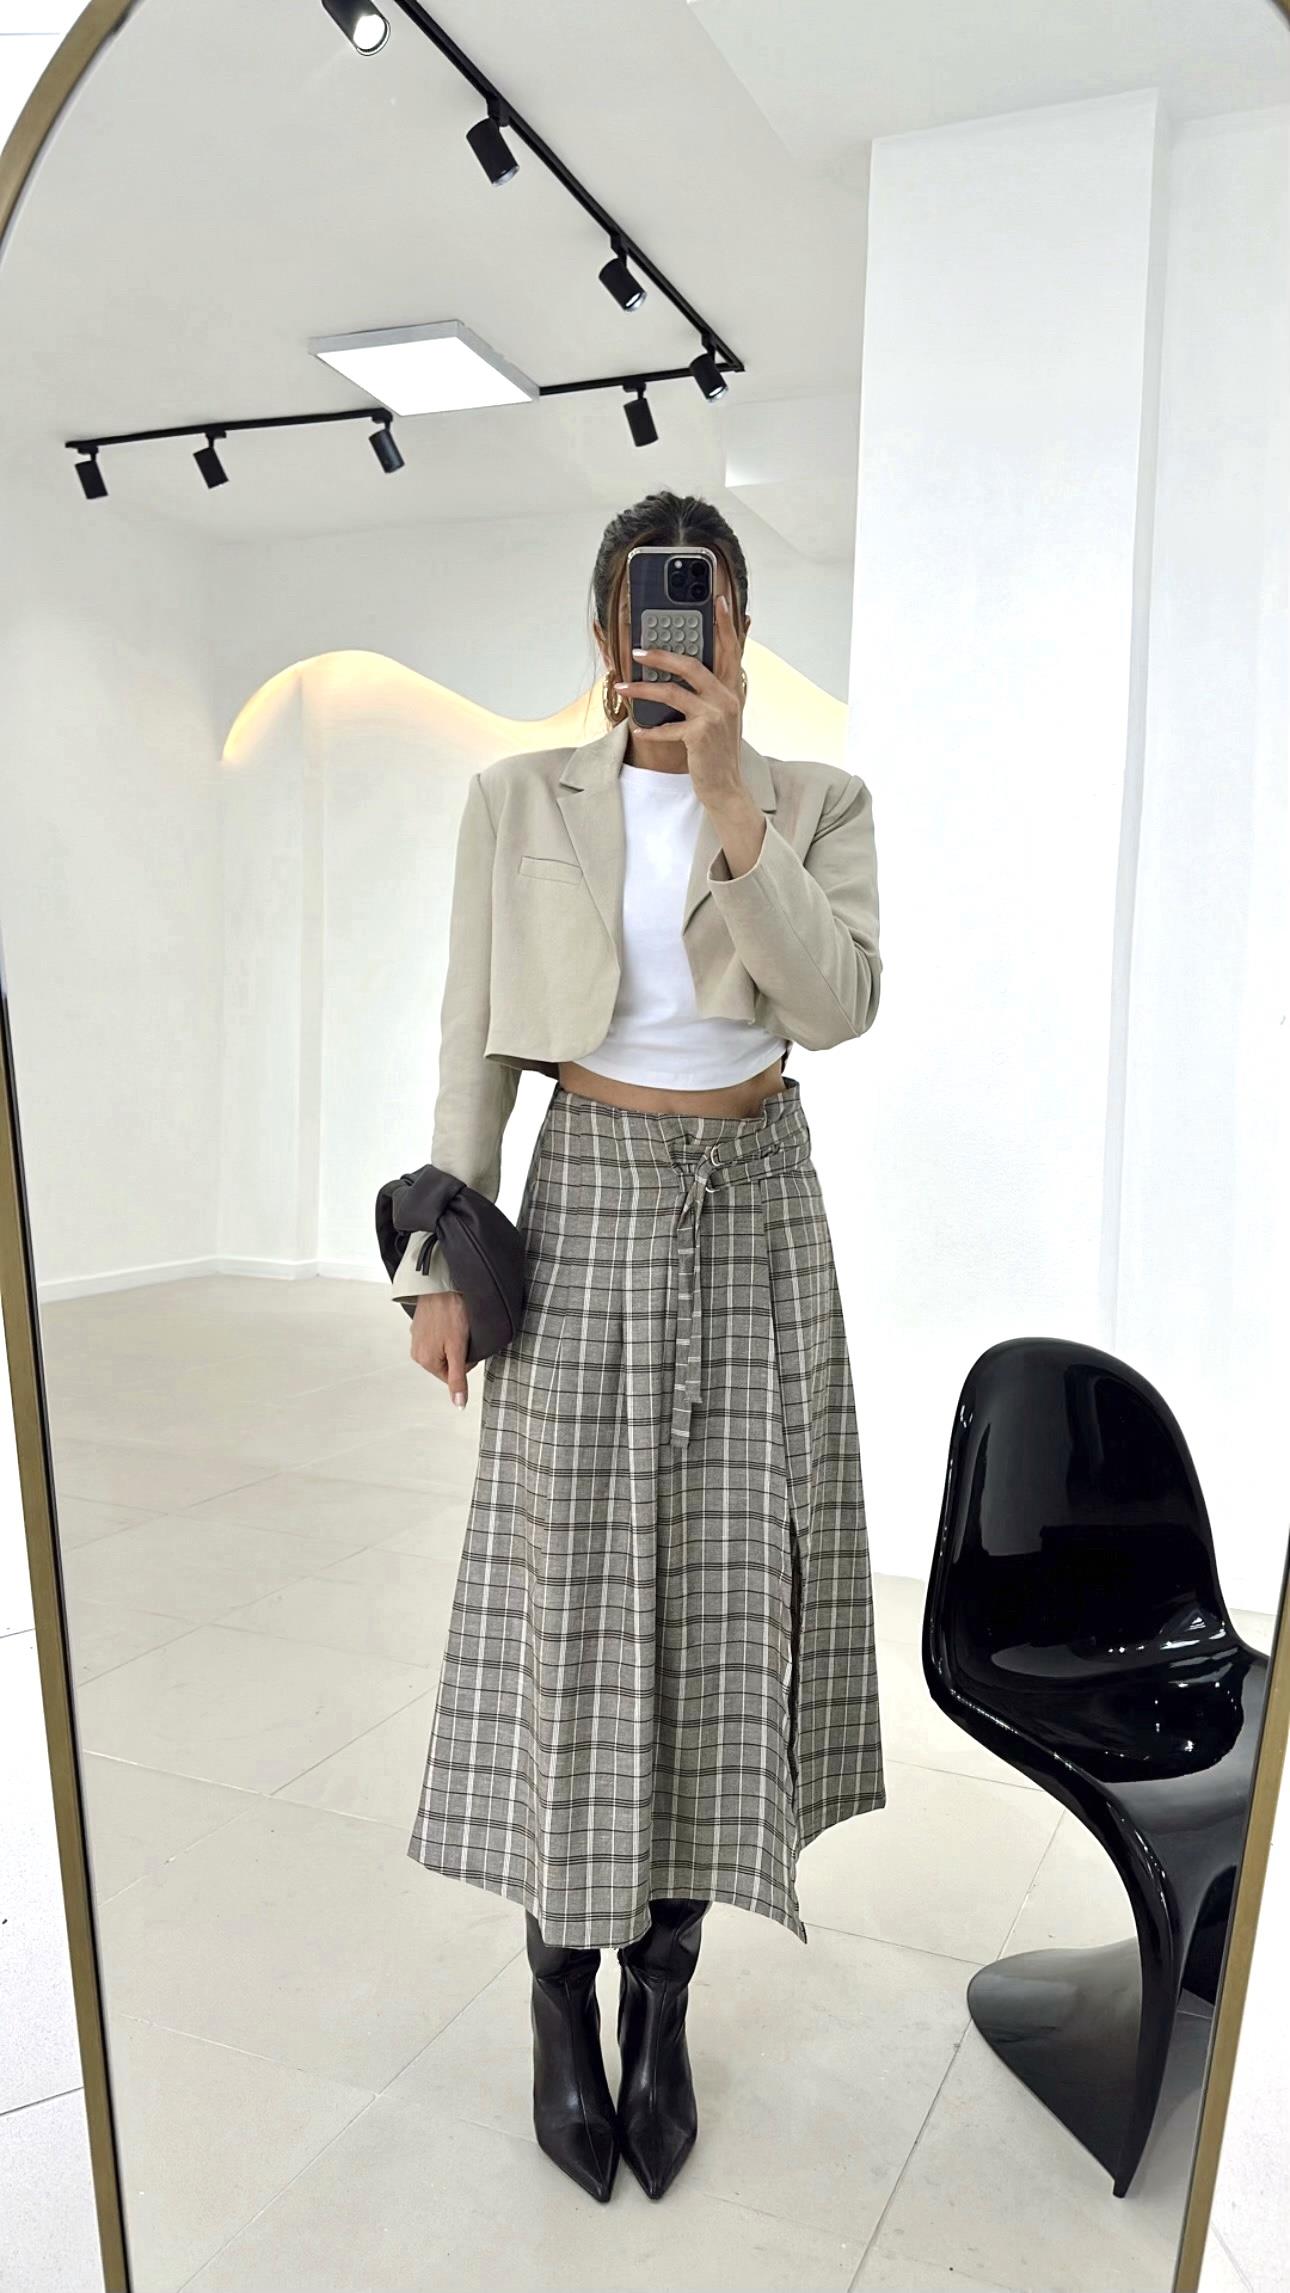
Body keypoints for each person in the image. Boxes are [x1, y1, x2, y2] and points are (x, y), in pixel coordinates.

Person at [390, 490, 885, 2204]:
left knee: (727, 1601)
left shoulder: (816, 802)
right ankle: (558, 1984)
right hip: (584, 1190)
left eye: (702, 610)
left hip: (757, 1205)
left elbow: (834, 1007)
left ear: (738, 629)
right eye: (643, 610)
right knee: (572, 1599)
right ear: (604, 633)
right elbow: (472, 1033)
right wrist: (434, 1266)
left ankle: (664, 1995)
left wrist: (734, 798)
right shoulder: (515, 797)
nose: (670, 636)